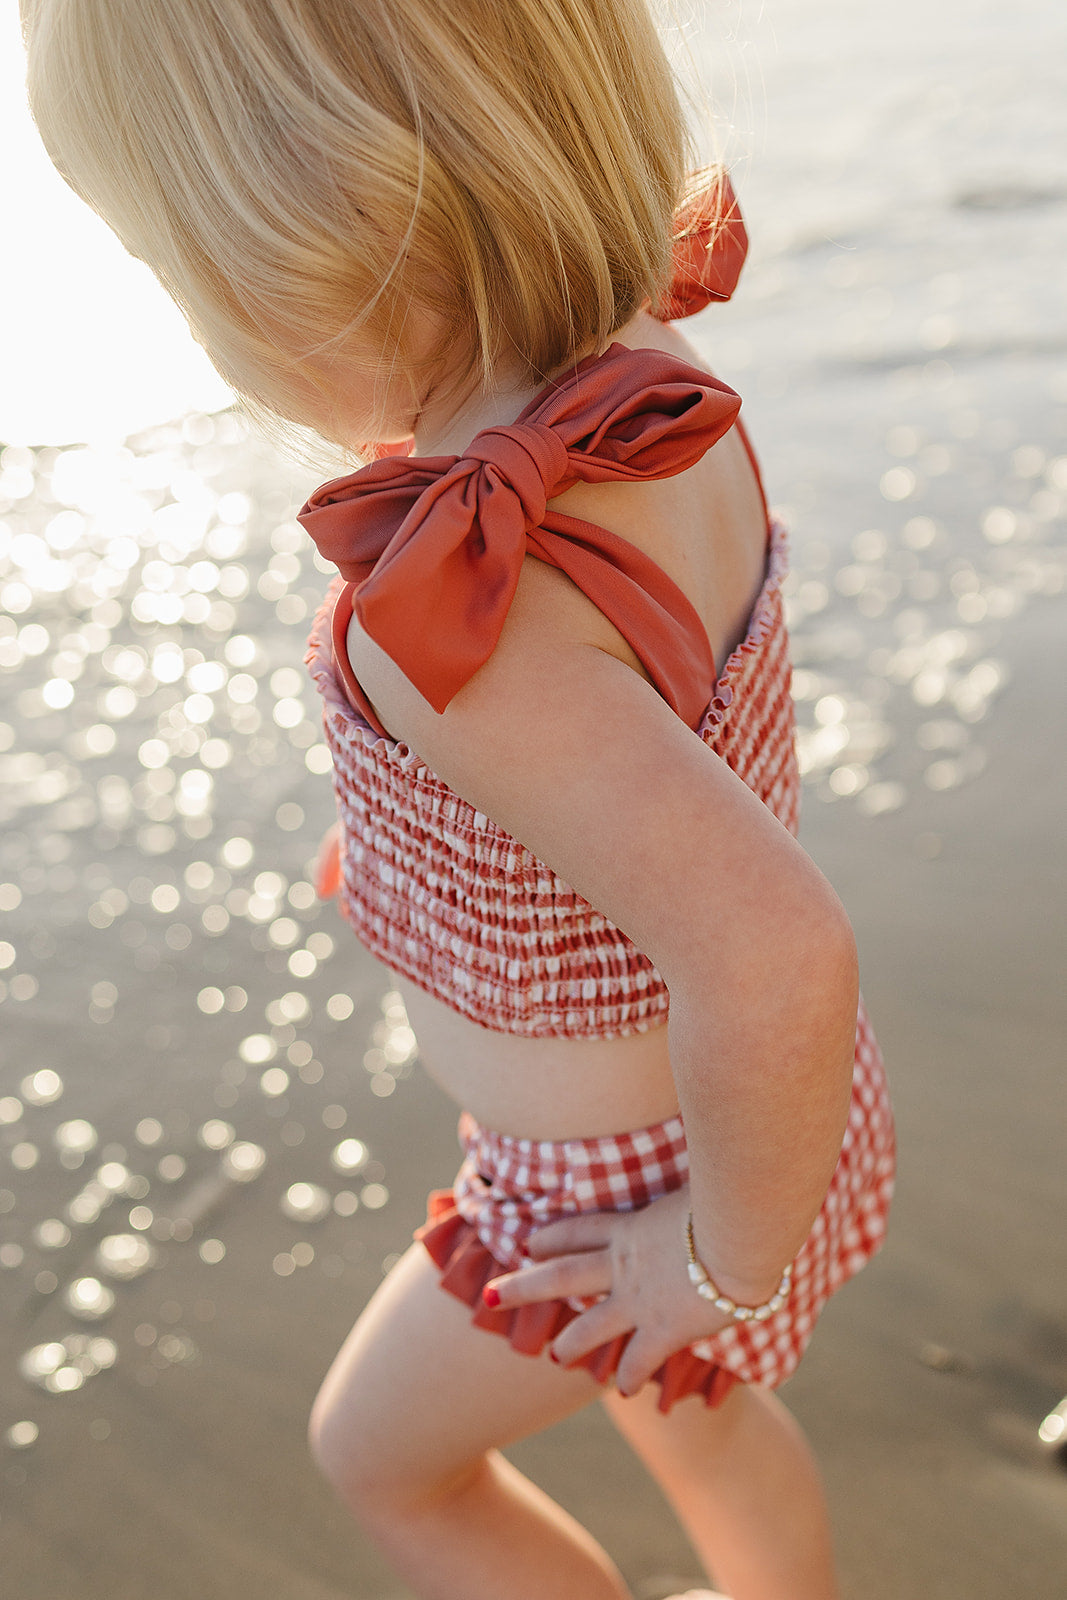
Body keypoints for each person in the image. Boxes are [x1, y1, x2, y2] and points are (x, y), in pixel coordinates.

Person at [22, 2, 895, 1596]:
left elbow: (774, 953)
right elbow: (645, 766)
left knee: (387, 1458)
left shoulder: (471, 609)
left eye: (169, 274)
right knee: (691, 1412)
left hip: (635, 1181)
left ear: (307, 248)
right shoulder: (652, 382)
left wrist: (712, 1264)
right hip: (753, 1116)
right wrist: (408, 859)